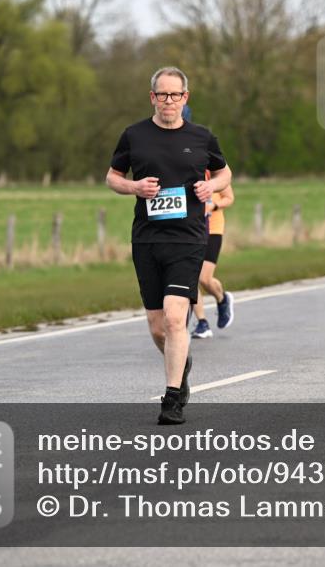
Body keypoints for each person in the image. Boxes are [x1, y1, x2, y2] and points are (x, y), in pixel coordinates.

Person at [107, 66, 231, 424]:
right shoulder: (134, 136)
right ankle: (182, 361)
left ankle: (172, 397)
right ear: (153, 98)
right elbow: (112, 177)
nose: (168, 101)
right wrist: (134, 188)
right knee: (158, 326)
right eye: (162, 95)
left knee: (177, 318)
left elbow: (225, 173)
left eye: (175, 95)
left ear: (185, 98)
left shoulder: (202, 136)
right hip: (147, 239)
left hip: (189, 239)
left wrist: (213, 187)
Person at [190, 171, 235, 338]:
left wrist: (213, 206)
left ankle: (222, 299)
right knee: (190, 278)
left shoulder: (215, 171)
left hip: (213, 229)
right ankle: (202, 323)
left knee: (204, 278)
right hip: (191, 230)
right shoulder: (186, 166)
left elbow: (229, 198)